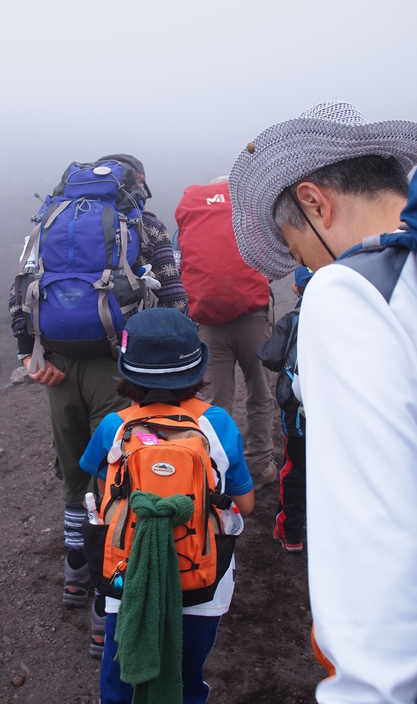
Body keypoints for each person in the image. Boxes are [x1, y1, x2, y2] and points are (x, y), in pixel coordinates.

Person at [228, 101, 417, 702]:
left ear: (315, 203)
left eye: (296, 247)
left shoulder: (352, 291)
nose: (302, 268)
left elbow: (373, 526)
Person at [9, 154, 188, 648]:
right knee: (113, 474)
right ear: (137, 182)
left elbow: (21, 289)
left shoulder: (51, 218)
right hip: (118, 369)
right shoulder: (144, 223)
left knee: (73, 470)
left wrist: (29, 358)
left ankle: (73, 570)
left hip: (58, 367)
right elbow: (173, 296)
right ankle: (102, 601)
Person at [79, 307, 254, 703]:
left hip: (128, 578)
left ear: (127, 373)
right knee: (185, 679)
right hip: (202, 579)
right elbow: (245, 503)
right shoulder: (219, 424)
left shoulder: (114, 427)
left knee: (120, 680)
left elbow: (103, 492)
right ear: (198, 369)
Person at [175, 177, 277, 490]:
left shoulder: (192, 217)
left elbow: (182, 266)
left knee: (214, 401)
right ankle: (260, 465)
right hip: (252, 318)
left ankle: (217, 470)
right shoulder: (248, 212)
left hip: (208, 323)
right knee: (259, 393)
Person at [257, 265, 313, 552]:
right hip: (341, 422)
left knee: (295, 472)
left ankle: (291, 535)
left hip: (300, 421)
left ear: (296, 288)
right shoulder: (351, 316)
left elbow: (270, 357)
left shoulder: (292, 320)